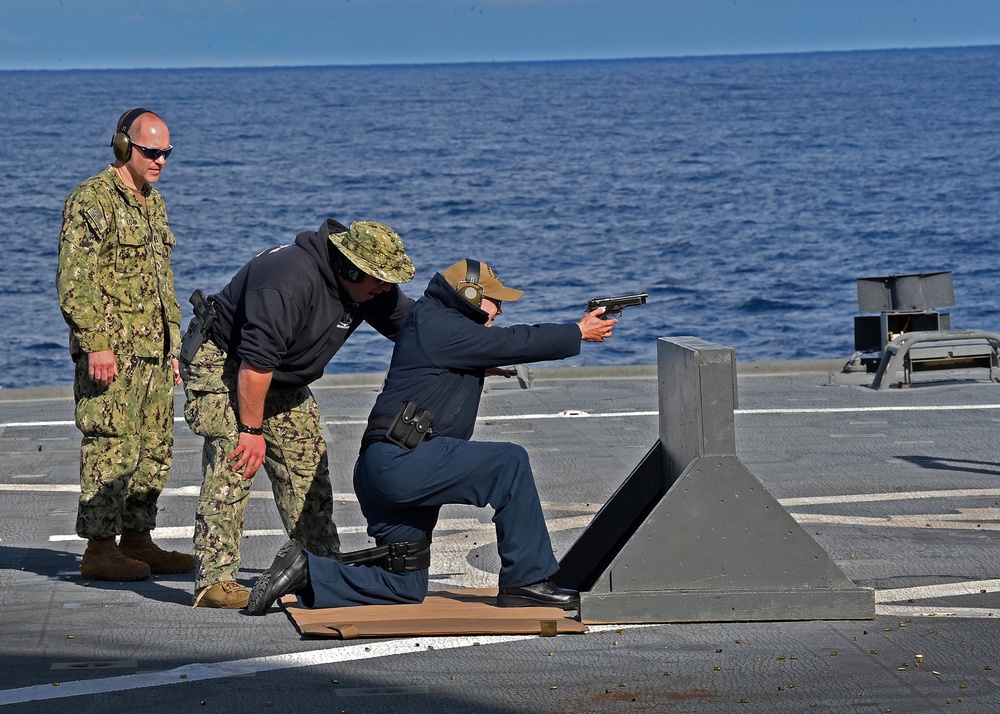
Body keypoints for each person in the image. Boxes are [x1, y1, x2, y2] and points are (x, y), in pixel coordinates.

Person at [247, 258, 615, 615]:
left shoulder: (436, 325)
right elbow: (511, 341)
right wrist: (576, 331)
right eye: (495, 301)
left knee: (403, 586)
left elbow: (449, 360)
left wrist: (475, 368)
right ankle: (527, 583)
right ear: (469, 295)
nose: (500, 310)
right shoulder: (440, 323)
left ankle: (307, 570)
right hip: (402, 463)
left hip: (392, 471)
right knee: (509, 463)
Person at [181, 219, 415, 608]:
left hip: (280, 377)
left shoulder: (368, 287)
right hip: (226, 364)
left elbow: (415, 325)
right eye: (380, 280)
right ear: (349, 267)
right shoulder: (288, 280)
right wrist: (251, 430)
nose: (387, 290)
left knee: (306, 466)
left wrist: (474, 351)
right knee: (235, 460)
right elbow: (255, 367)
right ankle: (214, 581)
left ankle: (322, 566)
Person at [56, 108, 193, 582]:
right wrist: (96, 343)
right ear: (123, 147)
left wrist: (173, 346)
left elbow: (162, 281)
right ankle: (99, 548)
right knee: (111, 446)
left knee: (154, 449)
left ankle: (137, 540)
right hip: (112, 353)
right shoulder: (92, 200)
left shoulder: (152, 203)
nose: (159, 161)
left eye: (166, 153)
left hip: (153, 353)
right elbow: (76, 281)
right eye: (150, 151)